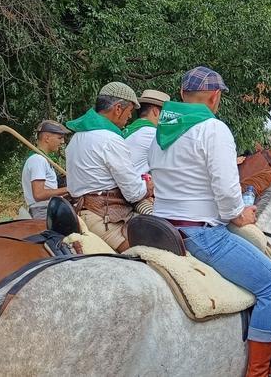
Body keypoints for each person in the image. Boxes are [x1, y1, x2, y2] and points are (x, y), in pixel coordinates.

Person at [150, 66, 271, 377]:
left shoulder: (160, 132)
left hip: (160, 229)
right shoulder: (213, 129)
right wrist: (241, 213)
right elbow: (227, 195)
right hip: (201, 234)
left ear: (182, 95)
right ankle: (258, 372)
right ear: (215, 97)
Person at [66, 81, 152, 251]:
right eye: (129, 112)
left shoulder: (77, 137)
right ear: (118, 108)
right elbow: (134, 193)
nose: (129, 118)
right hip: (103, 217)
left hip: (78, 212)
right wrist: (148, 186)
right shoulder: (110, 140)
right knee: (153, 252)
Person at [21, 120, 71, 219]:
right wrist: (69, 189)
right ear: (47, 138)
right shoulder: (38, 160)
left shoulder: (42, 159)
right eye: (59, 138)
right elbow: (39, 195)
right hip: (44, 211)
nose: (62, 142)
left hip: (49, 208)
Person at [123, 89, 171, 174]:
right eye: (166, 114)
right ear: (155, 111)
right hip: (134, 185)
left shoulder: (134, 128)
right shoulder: (150, 133)